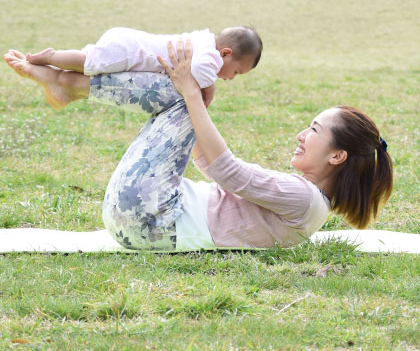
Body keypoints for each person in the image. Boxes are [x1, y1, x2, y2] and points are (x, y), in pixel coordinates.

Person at [4, 44, 393, 251]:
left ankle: (70, 84)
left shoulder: (303, 198)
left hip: (150, 215)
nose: (301, 134)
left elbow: (229, 171)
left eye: (313, 129)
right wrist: (194, 109)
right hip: (145, 221)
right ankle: (70, 84)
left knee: (180, 88)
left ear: (336, 155)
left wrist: (191, 94)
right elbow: (214, 165)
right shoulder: (306, 202)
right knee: (183, 93)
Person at [25, 26, 263, 108]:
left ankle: (61, 77)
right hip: (130, 49)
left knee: (92, 63)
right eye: (236, 72)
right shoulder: (209, 54)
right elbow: (200, 70)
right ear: (226, 53)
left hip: (129, 43)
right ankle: (51, 57)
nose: (231, 78)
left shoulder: (204, 41)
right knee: (89, 62)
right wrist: (209, 87)